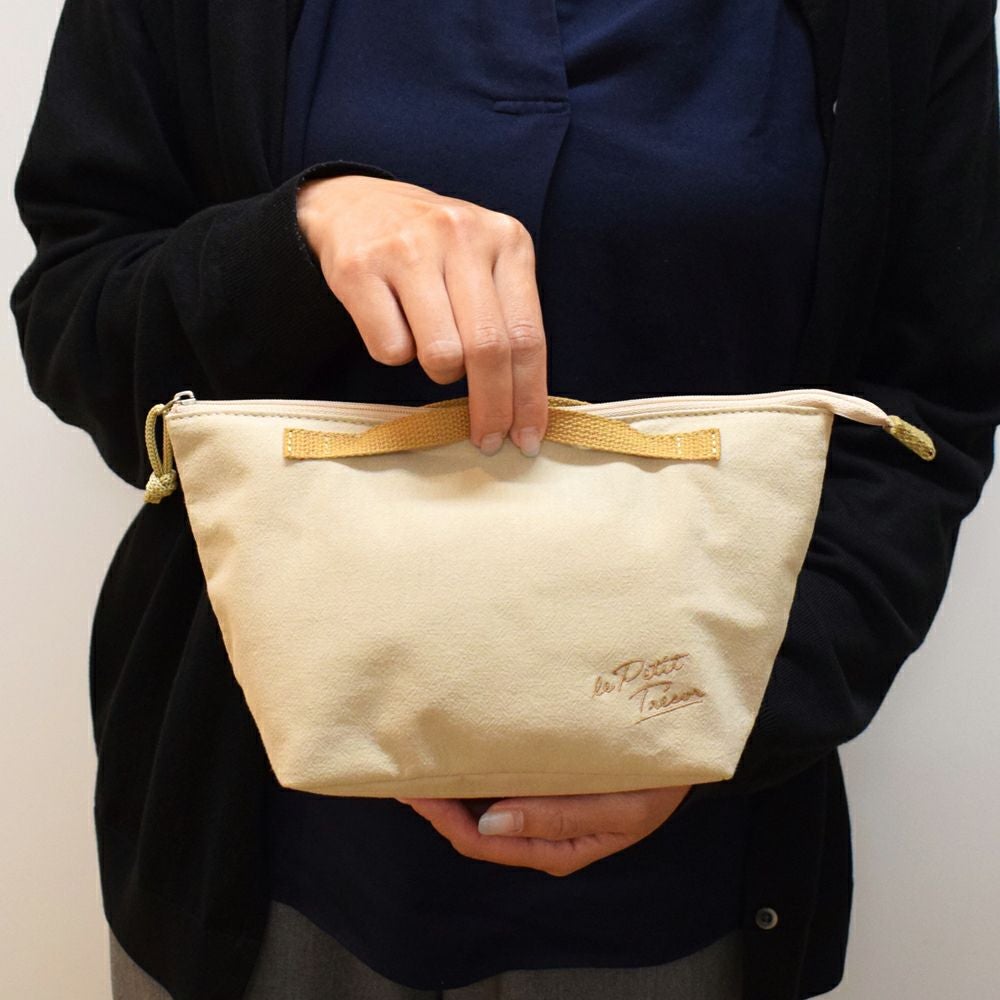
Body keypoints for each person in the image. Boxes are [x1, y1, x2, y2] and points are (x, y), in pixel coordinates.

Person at [9, 1, 999, 998]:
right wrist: (296, 238)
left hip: (688, 876)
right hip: (263, 852)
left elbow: (928, 406)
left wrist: (740, 707)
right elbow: (77, 317)